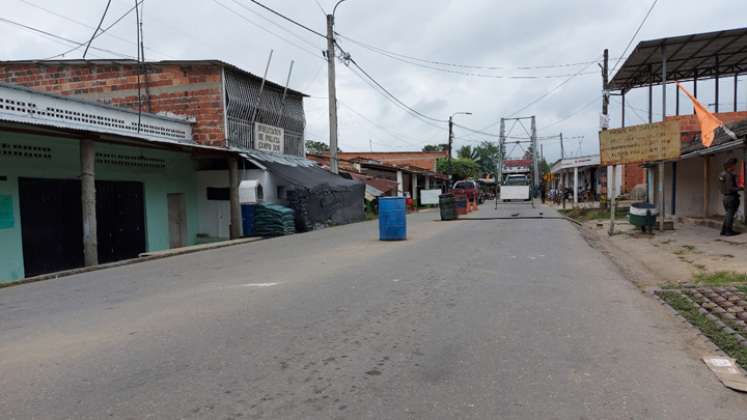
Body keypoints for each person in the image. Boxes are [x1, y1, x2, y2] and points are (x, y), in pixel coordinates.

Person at [719, 158, 742, 236]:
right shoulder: (728, 175)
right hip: (731, 197)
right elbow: (730, 188)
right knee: (730, 215)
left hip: (726, 197)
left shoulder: (722, 174)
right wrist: (740, 188)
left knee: (728, 214)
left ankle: (723, 231)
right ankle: (728, 231)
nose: (735, 167)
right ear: (730, 166)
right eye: (734, 165)